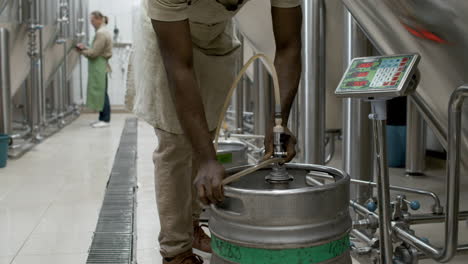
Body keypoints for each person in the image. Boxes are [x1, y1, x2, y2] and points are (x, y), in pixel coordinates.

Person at [132, 0, 302, 263]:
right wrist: (207, 159)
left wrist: (279, 122)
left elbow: (289, 46)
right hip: (167, 34)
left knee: (206, 131)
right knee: (176, 140)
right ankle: (176, 249)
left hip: (215, 32)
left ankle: (190, 225)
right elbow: (179, 68)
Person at [77, 11, 113, 128]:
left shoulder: (101, 33)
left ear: (98, 19)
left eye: (92, 21)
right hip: (101, 65)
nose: (91, 23)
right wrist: (86, 48)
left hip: (99, 66)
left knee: (101, 93)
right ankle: (103, 118)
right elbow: (96, 50)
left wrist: (81, 51)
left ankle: (105, 119)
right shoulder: (103, 31)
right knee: (102, 92)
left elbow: (94, 53)